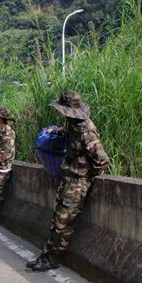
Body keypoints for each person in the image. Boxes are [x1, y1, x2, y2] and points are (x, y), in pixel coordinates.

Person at [27, 90, 109, 272]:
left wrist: (85, 176)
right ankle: (46, 256)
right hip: (68, 180)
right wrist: (56, 130)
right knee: (56, 221)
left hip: (77, 184)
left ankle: (52, 259)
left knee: (63, 224)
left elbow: (102, 160)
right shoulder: (73, 124)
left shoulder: (86, 131)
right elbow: (67, 134)